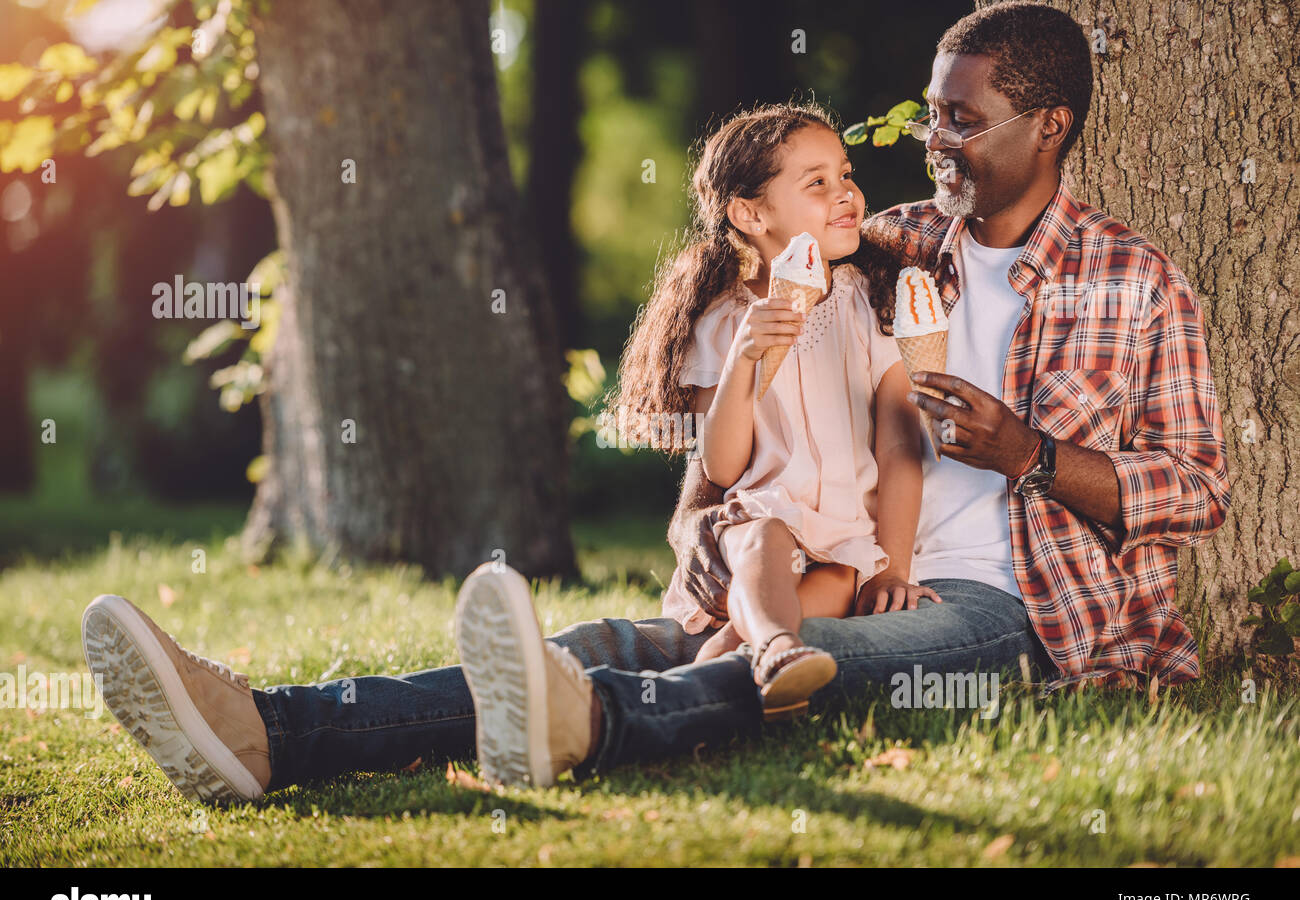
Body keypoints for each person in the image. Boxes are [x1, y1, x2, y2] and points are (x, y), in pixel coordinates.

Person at [82, 2, 1229, 802]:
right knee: (608, 635)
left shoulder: (1134, 283)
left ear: (1051, 129)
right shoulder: (878, 245)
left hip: (1009, 609)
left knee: (790, 663)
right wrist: (711, 534)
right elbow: (754, 330)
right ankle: (274, 731)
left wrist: (1029, 450)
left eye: (961, 124)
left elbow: (1197, 491)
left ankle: (594, 726)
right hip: (821, 556)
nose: (933, 145)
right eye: (930, 116)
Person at [599, 102, 938, 721]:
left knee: (822, 589)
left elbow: (898, 446)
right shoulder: (725, 320)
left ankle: (694, 702)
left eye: (845, 173)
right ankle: (780, 649)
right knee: (767, 537)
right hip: (757, 529)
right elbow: (723, 466)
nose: (847, 193)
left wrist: (893, 565)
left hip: (843, 544)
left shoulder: (869, 304)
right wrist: (746, 359)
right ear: (752, 215)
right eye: (817, 183)